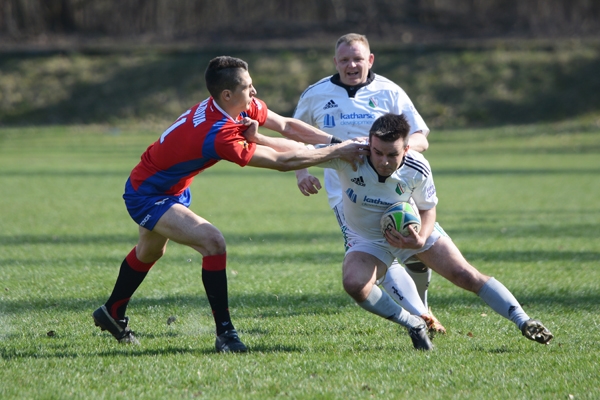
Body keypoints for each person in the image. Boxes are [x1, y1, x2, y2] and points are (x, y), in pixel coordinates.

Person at [92, 56, 368, 353]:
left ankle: (111, 313)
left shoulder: (236, 104)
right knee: (213, 242)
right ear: (227, 94)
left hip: (170, 187)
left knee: (150, 251)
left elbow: (287, 126)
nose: (255, 91)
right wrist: (338, 151)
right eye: (249, 87)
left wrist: (336, 142)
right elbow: (281, 161)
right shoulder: (218, 133)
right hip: (146, 194)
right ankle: (225, 334)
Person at [313, 113, 553, 350]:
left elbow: (428, 209)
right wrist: (280, 154)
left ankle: (524, 321)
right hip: (368, 239)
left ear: (406, 149)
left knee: (465, 275)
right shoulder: (350, 155)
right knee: (355, 284)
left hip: (411, 229)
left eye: (392, 154)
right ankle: (414, 323)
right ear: (369, 143)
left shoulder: (417, 166)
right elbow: (296, 150)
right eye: (378, 152)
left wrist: (420, 239)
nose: (384, 161)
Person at [292, 33, 445, 334]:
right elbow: (296, 136)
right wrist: (303, 173)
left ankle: (423, 308)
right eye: (345, 60)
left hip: (395, 184)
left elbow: (420, 136)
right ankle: (421, 316)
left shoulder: (389, 91)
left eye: (358, 58)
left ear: (370, 60)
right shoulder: (316, 94)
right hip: (346, 193)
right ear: (335, 62)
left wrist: (400, 153)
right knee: (379, 246)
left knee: (412, 247)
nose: (351, 65)